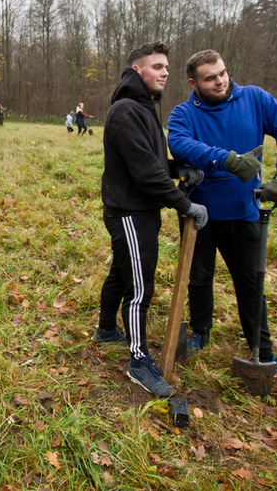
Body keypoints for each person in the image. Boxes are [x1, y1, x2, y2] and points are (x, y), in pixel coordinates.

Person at [167, 49, 277, 382]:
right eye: (210, 78)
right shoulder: (183, 113)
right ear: (193, 83)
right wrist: (227, 160)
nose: (220, 81)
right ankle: (201, 331)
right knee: (199, 278)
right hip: (199, 214)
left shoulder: (255, 100)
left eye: (223, 73)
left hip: (244, 212)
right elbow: (180, 144)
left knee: (250, 283)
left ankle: (263, 351)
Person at [96, 42, 208, 398]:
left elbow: (151, 161)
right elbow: (145, 173)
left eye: (166, 68)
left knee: (121, 270)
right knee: (139, 287)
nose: (164, 72)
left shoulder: (144, 108)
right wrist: (183, 204)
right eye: (157, 66)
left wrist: (179, 169)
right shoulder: (127, 110)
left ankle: (106, 329)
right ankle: (139, 360)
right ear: (136, 70)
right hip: (130, 212)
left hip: (138, 209)